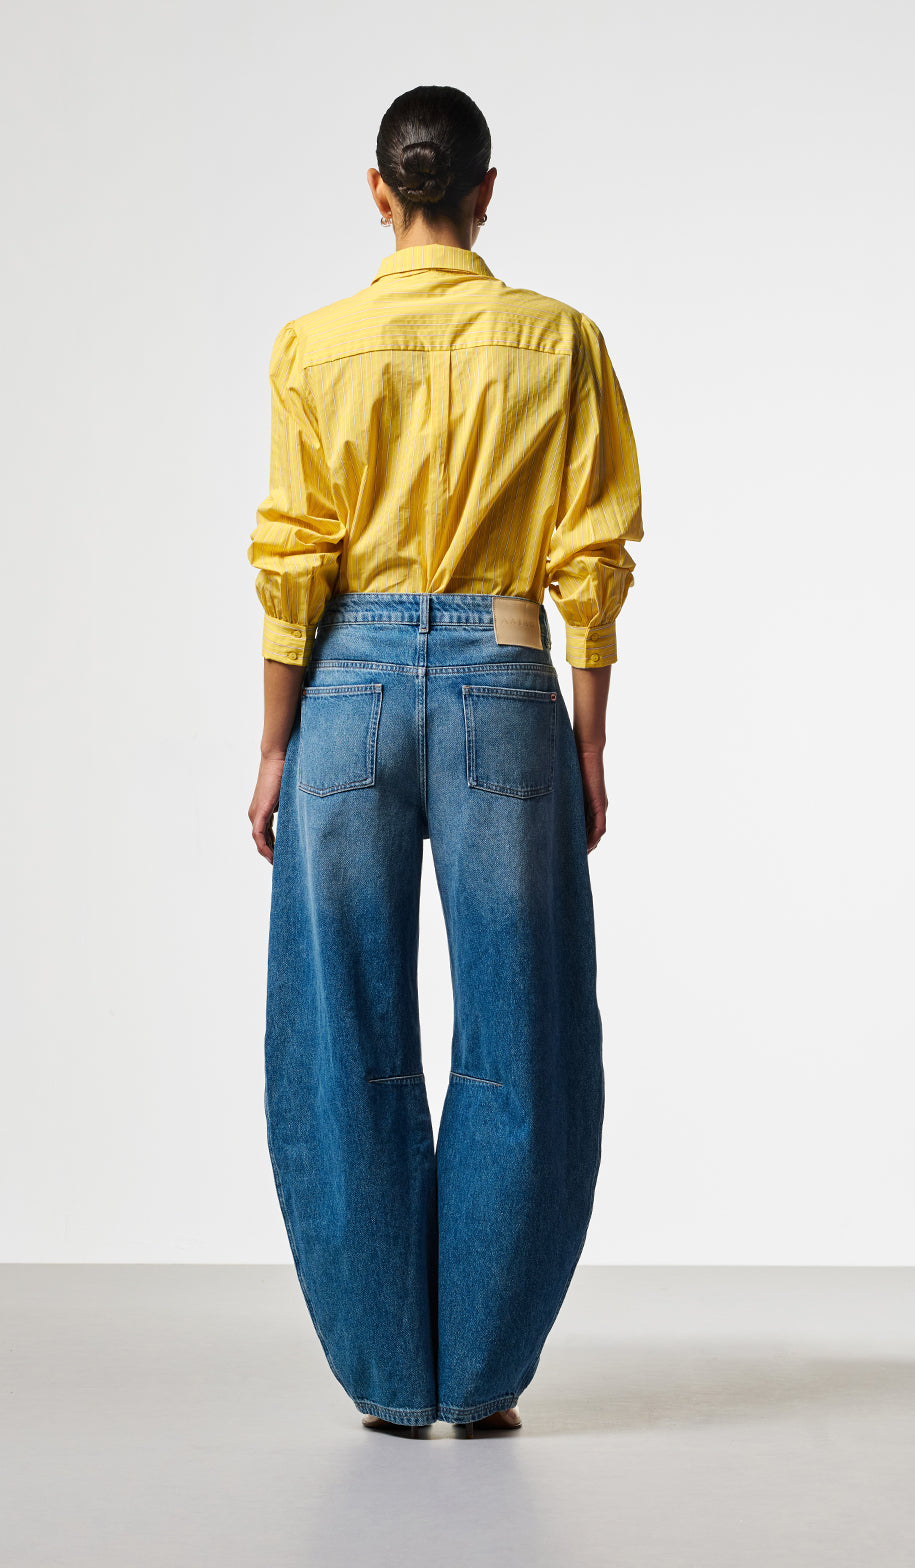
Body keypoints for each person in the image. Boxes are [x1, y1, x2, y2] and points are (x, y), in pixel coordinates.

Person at [246, 85, 643, 1438]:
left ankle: (382, 1379)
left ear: (379, 192)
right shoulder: (558, 339)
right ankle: (477, 1381)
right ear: (485, 192)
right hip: (504, 681)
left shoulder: (313, 346)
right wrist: (588, 732)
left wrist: (275, 741)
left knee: (339, 1028)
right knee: (523, 1030)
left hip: (346, 685)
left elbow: (293, 554)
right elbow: (590, 555)